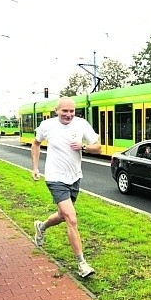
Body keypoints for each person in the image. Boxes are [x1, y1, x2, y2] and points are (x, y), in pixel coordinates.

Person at [31, 96, 102, 278]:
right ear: (57, 111)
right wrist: (35, 167)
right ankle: (82, 264)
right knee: (72, 218)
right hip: (55, 178)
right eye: (65, 111)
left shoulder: (81, 124)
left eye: (71, 111)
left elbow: (98, 147)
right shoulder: (47, 126)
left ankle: (42, 226)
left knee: (63, 216)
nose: (68, 115)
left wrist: (84, 147)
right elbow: (36, 143)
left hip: (74, 177)